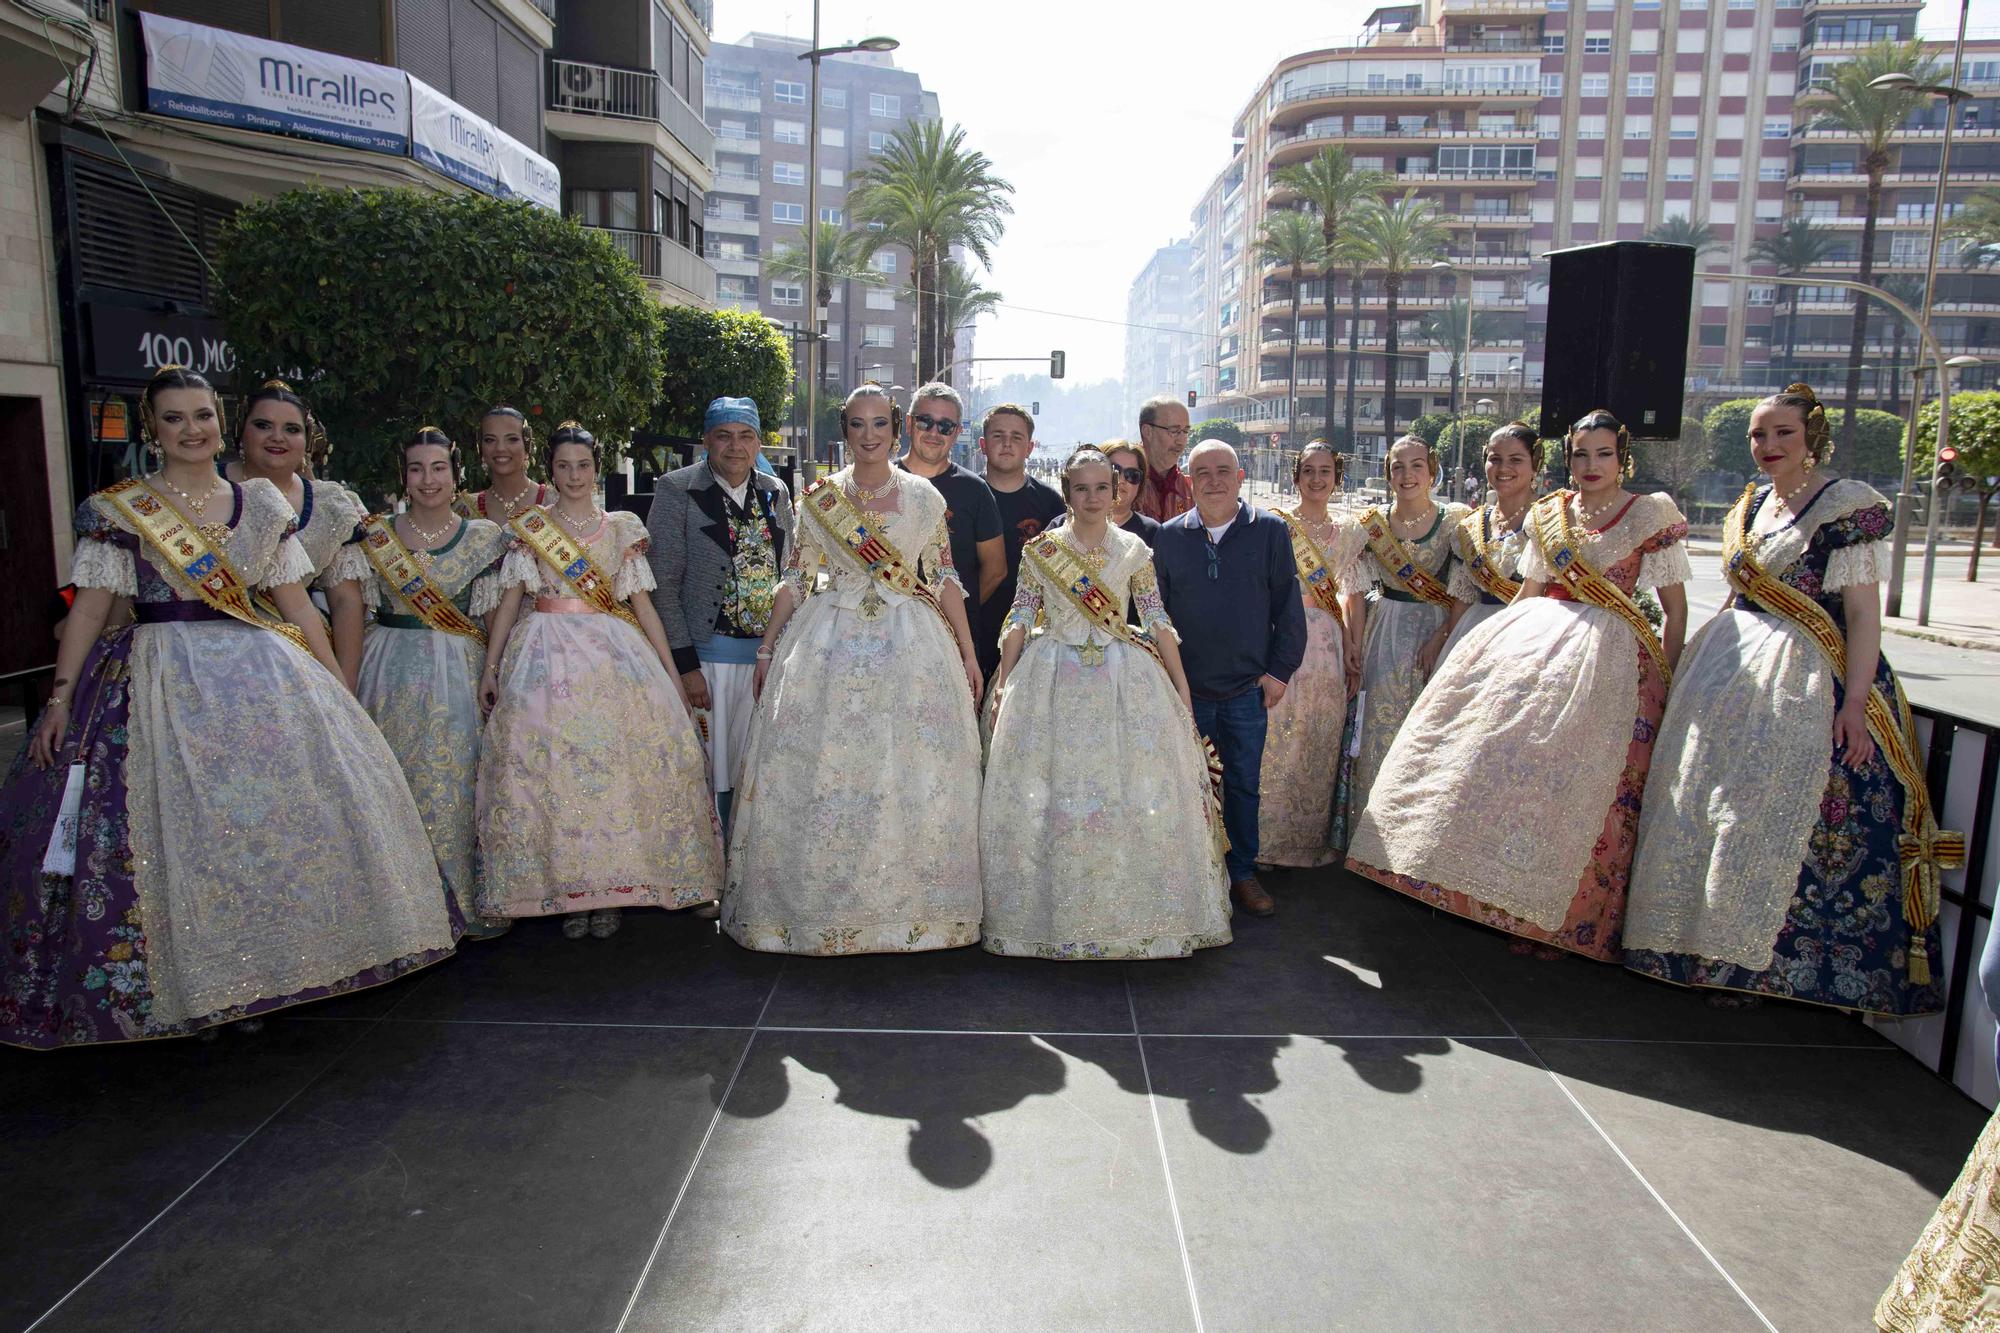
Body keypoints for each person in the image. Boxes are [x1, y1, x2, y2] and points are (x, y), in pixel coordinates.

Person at [0, 366, 455, 1049]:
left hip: (262, 681)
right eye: (176, 417)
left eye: (203, 415)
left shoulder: (263, 507)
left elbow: (297, 602)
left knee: (267, 830)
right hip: (156, 683)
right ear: (152, 427)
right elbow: (92, 607)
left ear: (221, 421)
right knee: (176, 831)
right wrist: (62, 695)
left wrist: (336, 686)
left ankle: (266, 970)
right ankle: (193, 984)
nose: (192, 429)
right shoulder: (119, 509)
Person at [1625, 386, 1952, 1014]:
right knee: (1703, 807)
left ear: (1812, 437)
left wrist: (1854, 704)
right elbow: (1736, 596)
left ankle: (1762, 970)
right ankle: (1695, 950)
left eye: (1783, 434)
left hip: (1805, 679)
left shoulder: (1844, 506)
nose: (1768, 446)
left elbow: (1862, 615)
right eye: (1758, 435)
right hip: (1730, 674)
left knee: (1766, 817)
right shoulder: (1751, 505)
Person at [1345, 409, 1690, 962]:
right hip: (1540, 648)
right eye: (1581, 454)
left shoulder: (1649, 514)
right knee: (1519, 778)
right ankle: (1506, 900)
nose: (1591, 465)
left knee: (1585, 789)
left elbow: (1675, 613)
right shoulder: (1551, 515)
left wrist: (1665, 680)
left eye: (1602, 453)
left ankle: (1566, 921)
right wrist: (1491, 657)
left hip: (1612, 662)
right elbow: (1529, 592)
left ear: (1622, 456)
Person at [725, 385, 986, 955]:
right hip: (829, 643)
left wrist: (967, 653)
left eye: (879, 425)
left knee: (909, 771)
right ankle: (818, 906)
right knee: (830, 770)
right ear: (844, 431)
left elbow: (943, 577)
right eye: (857, 425)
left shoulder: (923, 498)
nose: (869, 436)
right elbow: (795, 577)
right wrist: (768, 649)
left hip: (913, 646)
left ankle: (917, 910)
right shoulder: (819, 499)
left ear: (896, 430)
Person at [980, 447, 1229, 958]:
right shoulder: (1042, 551)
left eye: (1102, 488)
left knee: (1130, 792)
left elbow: (1157, 619)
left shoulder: (1135, 548)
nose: (1092, 498)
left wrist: (1181, 691)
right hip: (1050, 677)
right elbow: (1020, 617)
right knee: (1050, 793)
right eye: (1081, 489)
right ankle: (1047, 911)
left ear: (1115, 491)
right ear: (1067, 493)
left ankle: (1130, 911)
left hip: (1125, 678)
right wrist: (1004, 682)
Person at [477, 421, 723, 939]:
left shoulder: (622, 528)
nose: (574, 475)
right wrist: (492, 666)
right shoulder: (531, 527)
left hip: (614, 658)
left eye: (583, 466)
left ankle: (611, 892)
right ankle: (570, 893)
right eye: (563, 466)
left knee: (614, 774)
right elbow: (510, 602)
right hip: (543, 658)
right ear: (551, 470)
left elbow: (645, 607)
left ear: (597, 468)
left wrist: (670, 671)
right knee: (554, 776)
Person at [353, 427, 513, 940]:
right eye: (417, 469)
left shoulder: (486, 537)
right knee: (393, 781)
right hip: (388, 671)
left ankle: (464, 902)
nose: (428, 479)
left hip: (459, 671)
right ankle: (404, 910)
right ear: (404, 475)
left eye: (438, 467)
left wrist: (496, 672)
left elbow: (493, 619)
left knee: (461, 783)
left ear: (456, 472)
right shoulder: (373, 537)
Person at [1152, 439, 1307, 917]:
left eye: (1224, 470)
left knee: (1242, 785)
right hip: (1187, 692)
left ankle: (1242, 872)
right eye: (1202, 472)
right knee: (1187, 784)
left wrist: (1279, 672)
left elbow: (1288, 606)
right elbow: (1156, 615)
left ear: (1240, 477)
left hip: (1246, 692)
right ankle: (1195, 872)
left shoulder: (1271, 532)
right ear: (1188, 481)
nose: (1214, 480)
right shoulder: (1169, 537)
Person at [647, 396, 795, 836]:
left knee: (752, 769)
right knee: (706, 770)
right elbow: (663, 584)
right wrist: (686, 666)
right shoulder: (678, 489)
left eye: (746, 436)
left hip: (762, 662)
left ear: (759, 441)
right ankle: (706, 875)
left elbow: (789, 571)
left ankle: (741, 872)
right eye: (724, 436)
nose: (735, 446)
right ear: (707, 440)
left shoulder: (774, 491)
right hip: (706, 661)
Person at [1340, 435, 1471, 826]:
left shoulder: (1454, 521)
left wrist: (1442, 636)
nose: (1407, 474)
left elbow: (1464, 590)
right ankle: (1370, 830)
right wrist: (1356, 645)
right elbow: (1357, 591)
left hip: (1436, 631)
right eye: (1398, 466)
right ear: (1388, 473)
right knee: (1378, 729)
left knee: (1428, 732)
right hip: (1384, 631)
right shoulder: (1370, 525)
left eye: (1417, 466)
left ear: (1432, 471)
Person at [1258, 441, 1361, 868]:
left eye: (1325, 471)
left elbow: (1353, 592)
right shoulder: (1275, 525)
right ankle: (1264, 841)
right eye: (1308, 471)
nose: (1316, 479)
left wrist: (1354, 644)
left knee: (1319, 731)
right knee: (1275, 732)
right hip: (1282, 636)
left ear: (1337, 478)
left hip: (1326, 642)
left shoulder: (1352, 532)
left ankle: (1306, 841)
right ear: (1296, 476)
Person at [229, 379, 368, 688]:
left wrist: (345, 685)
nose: (277, 437)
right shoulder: (211, 490)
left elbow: (346, 601)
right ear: (242, 431)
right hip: (220, 658)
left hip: (303, 657)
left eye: (292, 429)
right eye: (263, 425)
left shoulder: (329, 504)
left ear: (308, 440)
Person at [896, 381, 1003, 619]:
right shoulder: (882, 481)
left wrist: (957, 612)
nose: (934, 433)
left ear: (956, 433)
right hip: (887, 632)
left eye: (945, 426)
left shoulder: (976, 491)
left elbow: (995, 570)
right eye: (925, 421)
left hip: (952, 635)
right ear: (909, 423)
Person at [975, 403, 1066, 680]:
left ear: (1030, 447)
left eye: (1017, 437)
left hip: (1030, 631)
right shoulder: (967, 494)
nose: (1006, 444)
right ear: (982, 444)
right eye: (998, 435)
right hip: (974, 625)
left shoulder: (1051, 502)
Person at [1438, 422, 1539, 664]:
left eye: (1515, 459)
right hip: (1473, 635)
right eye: (1495, 459)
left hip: (1529, 638)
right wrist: (1442, 639)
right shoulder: (1471, 524)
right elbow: (1464, 596)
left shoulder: (1549, 520)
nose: (1503, 468)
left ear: (1535, 464)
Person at [457, 405, 549, 522]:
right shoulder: (465, 509)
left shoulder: (554, 500)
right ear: (480, 448)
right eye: (490, 440)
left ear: (527, 446)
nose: (500, 448)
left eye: (512, 439)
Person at [1135, 394, 1194, 521]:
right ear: (1147, 432)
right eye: (1174, 431)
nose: (1181, 441)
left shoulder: (1188, 488)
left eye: (1185, 432)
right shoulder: (1127, 479)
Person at [1103, 440, 1163, 548]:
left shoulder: (1154, 533)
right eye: (1114, 470)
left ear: (1140, 484)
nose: (1121, 480)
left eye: (1132, 475)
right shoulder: (1067, 525)